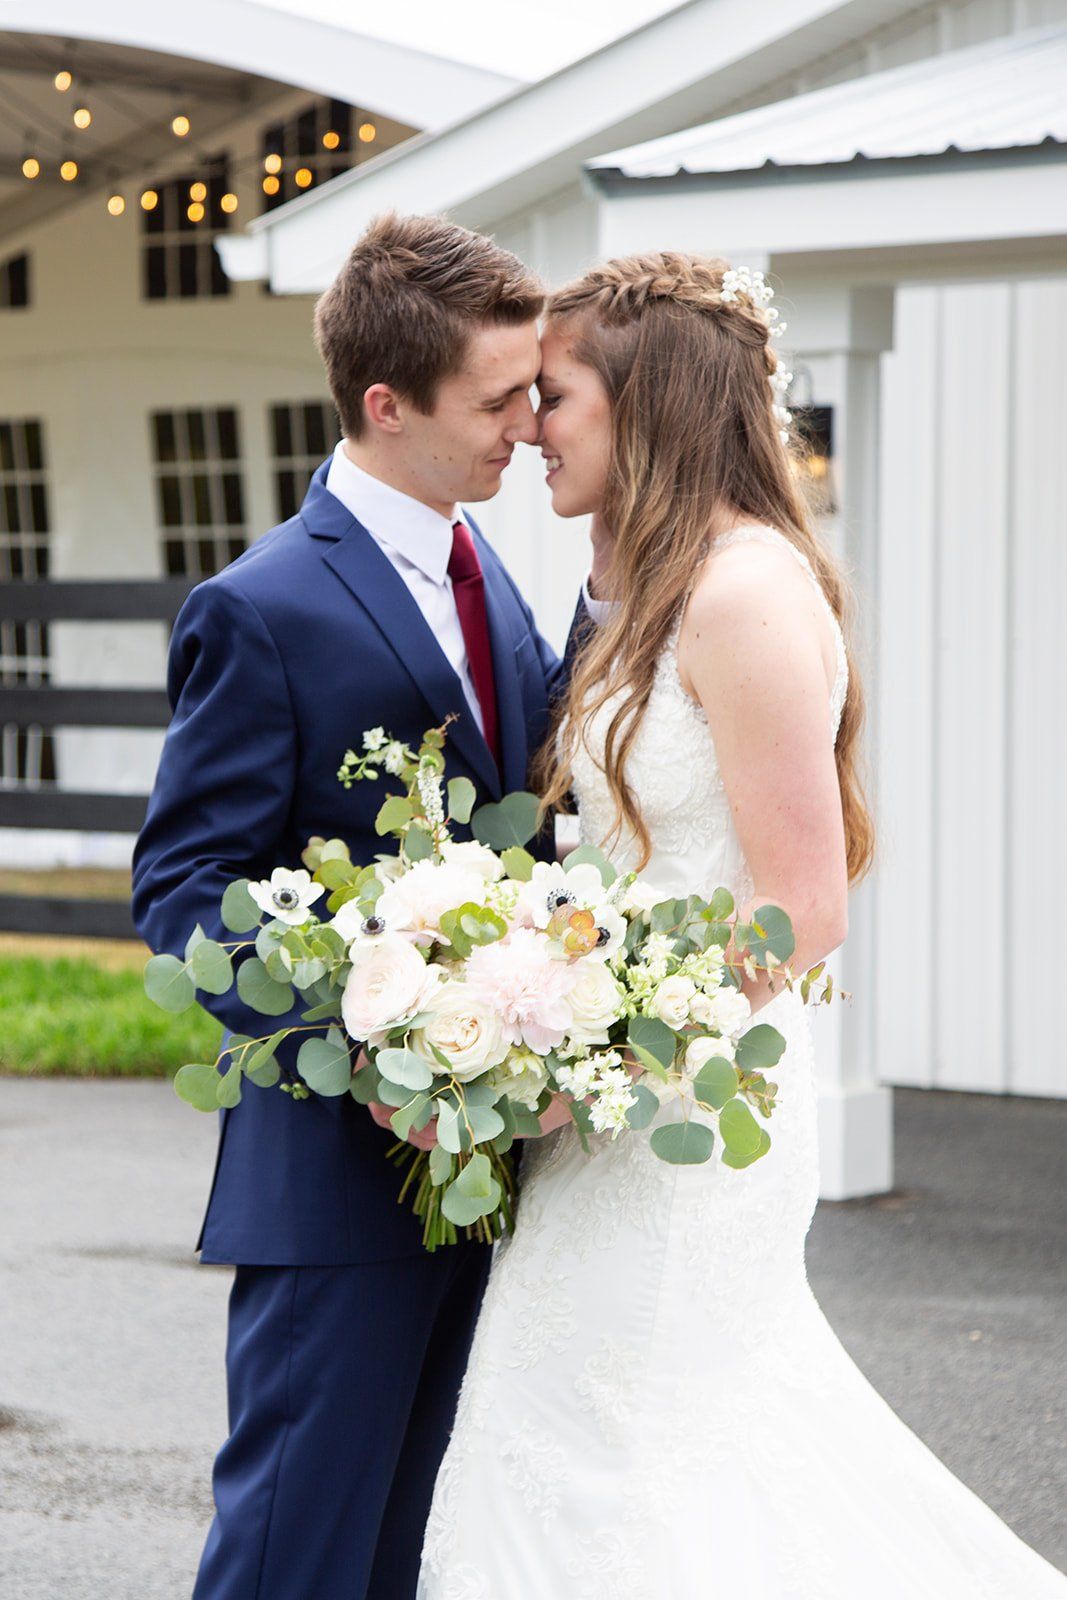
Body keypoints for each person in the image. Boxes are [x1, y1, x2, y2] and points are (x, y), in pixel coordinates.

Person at [416, 253, 1067, 1597]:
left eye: (558, 394)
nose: (533, 424)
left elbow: (803, 906)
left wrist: (592, 1056)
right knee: (590, 1446)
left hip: (687, 1119)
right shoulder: (652, 586)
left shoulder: (745, 595)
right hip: (614, 1111)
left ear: (648, 401)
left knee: (623, 1462)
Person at [132, 213, 572, 1600]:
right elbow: (182, 895)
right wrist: (386, 1008)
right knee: (291, 1555)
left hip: (482, 1167)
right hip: (332, 1177)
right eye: (497, 399)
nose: (528, 421)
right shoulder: (258, 606)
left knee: (410, 1558)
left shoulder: (484, 559)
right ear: (387, 404)